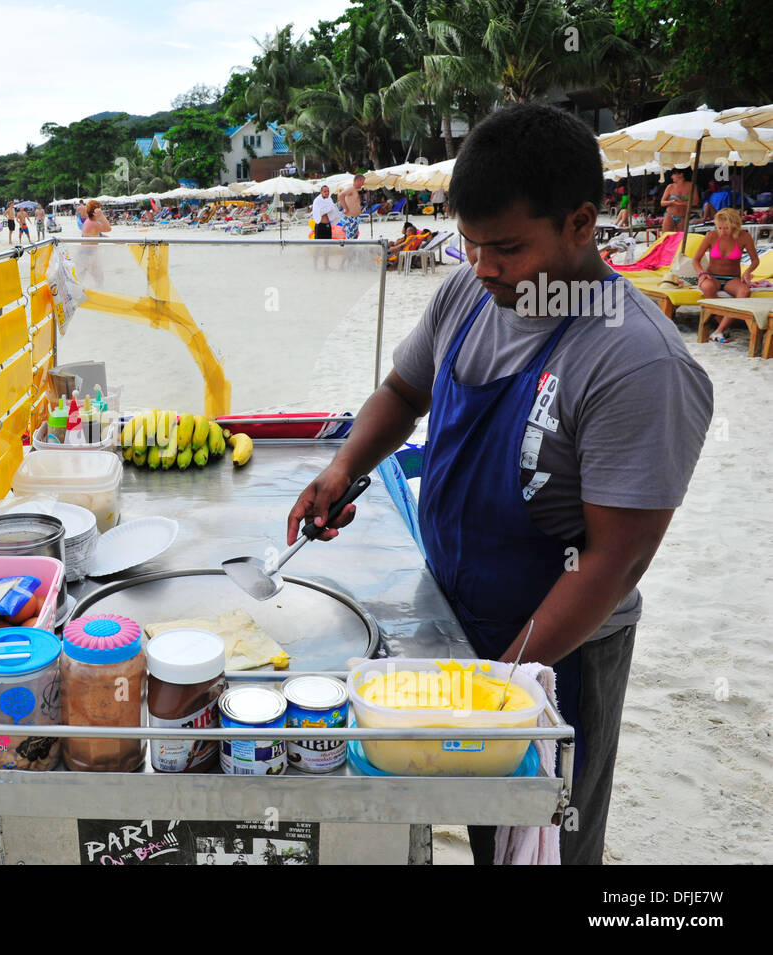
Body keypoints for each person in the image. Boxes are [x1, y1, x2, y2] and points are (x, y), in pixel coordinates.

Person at [287, 102, 712, 866]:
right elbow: (401, 392)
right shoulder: (467, 295)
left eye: (508, 248)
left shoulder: (635, 362)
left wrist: (506, 683)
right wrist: (343, 466)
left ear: (581, 224)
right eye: (471, 244)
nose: (484, 267)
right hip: (452, 614)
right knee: (474, 821)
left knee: (549, 837)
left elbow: (614, 560)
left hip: (561, 649)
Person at [692, 206, 759, 342]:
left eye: (726, 228)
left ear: (735, 225)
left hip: (732, 279)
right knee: (707, 287)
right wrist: (702, 273)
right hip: (712, 276)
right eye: (719, 228)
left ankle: (719, 330)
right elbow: (695, 260)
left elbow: (755, 260)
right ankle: (723, 325)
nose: (722, 231)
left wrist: (747, 272)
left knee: (745, 291)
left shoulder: (744, 236)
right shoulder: (711, 236)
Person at [336, 174, 366, 239]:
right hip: (350, 218)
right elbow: (340, 195)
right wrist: (345, 208)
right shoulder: (351, 188)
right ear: (358, 180)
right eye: (363, 182)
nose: (363, 184)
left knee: (354, 238)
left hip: (354, 218)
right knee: (350, 239)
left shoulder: (355, 189)